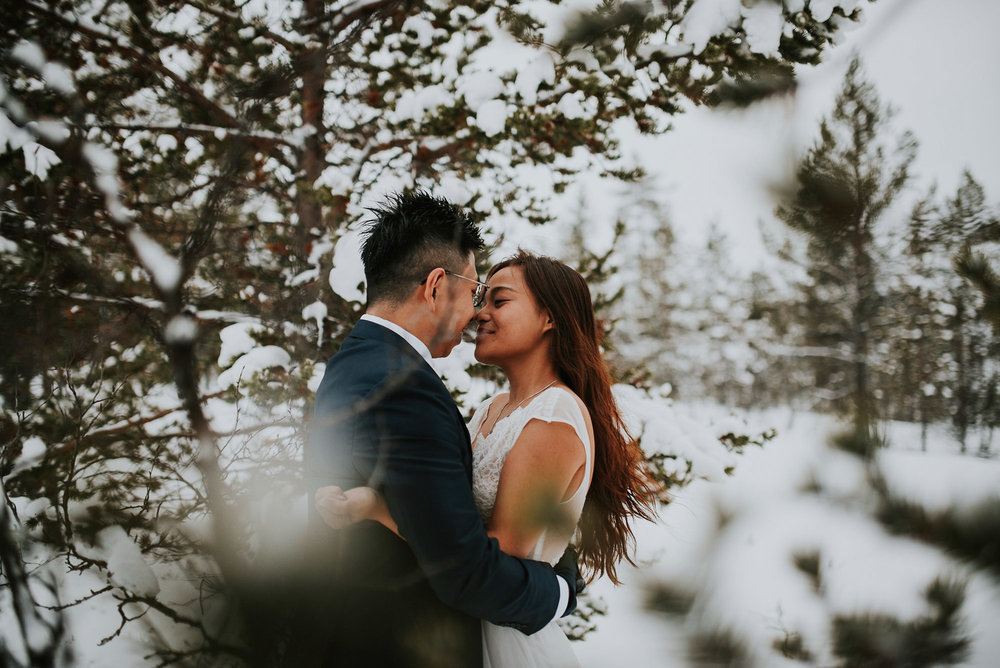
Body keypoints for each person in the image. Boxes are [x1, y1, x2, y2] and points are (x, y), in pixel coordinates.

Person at [317, 250, 659, 667]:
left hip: (503, 637)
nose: (480, 314)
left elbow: (496, 554)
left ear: (549, 318)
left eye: (500, 301)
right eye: (482, 300)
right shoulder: (493, 409)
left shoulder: (553, 416)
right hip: (464, 624)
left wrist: (379, 508)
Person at [303, 191, 581, 668]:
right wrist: (559, 590)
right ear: (435, 287)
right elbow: (464, 573)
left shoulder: (355, 362)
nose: (477, 313)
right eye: (474, 292)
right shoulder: (401, 386)